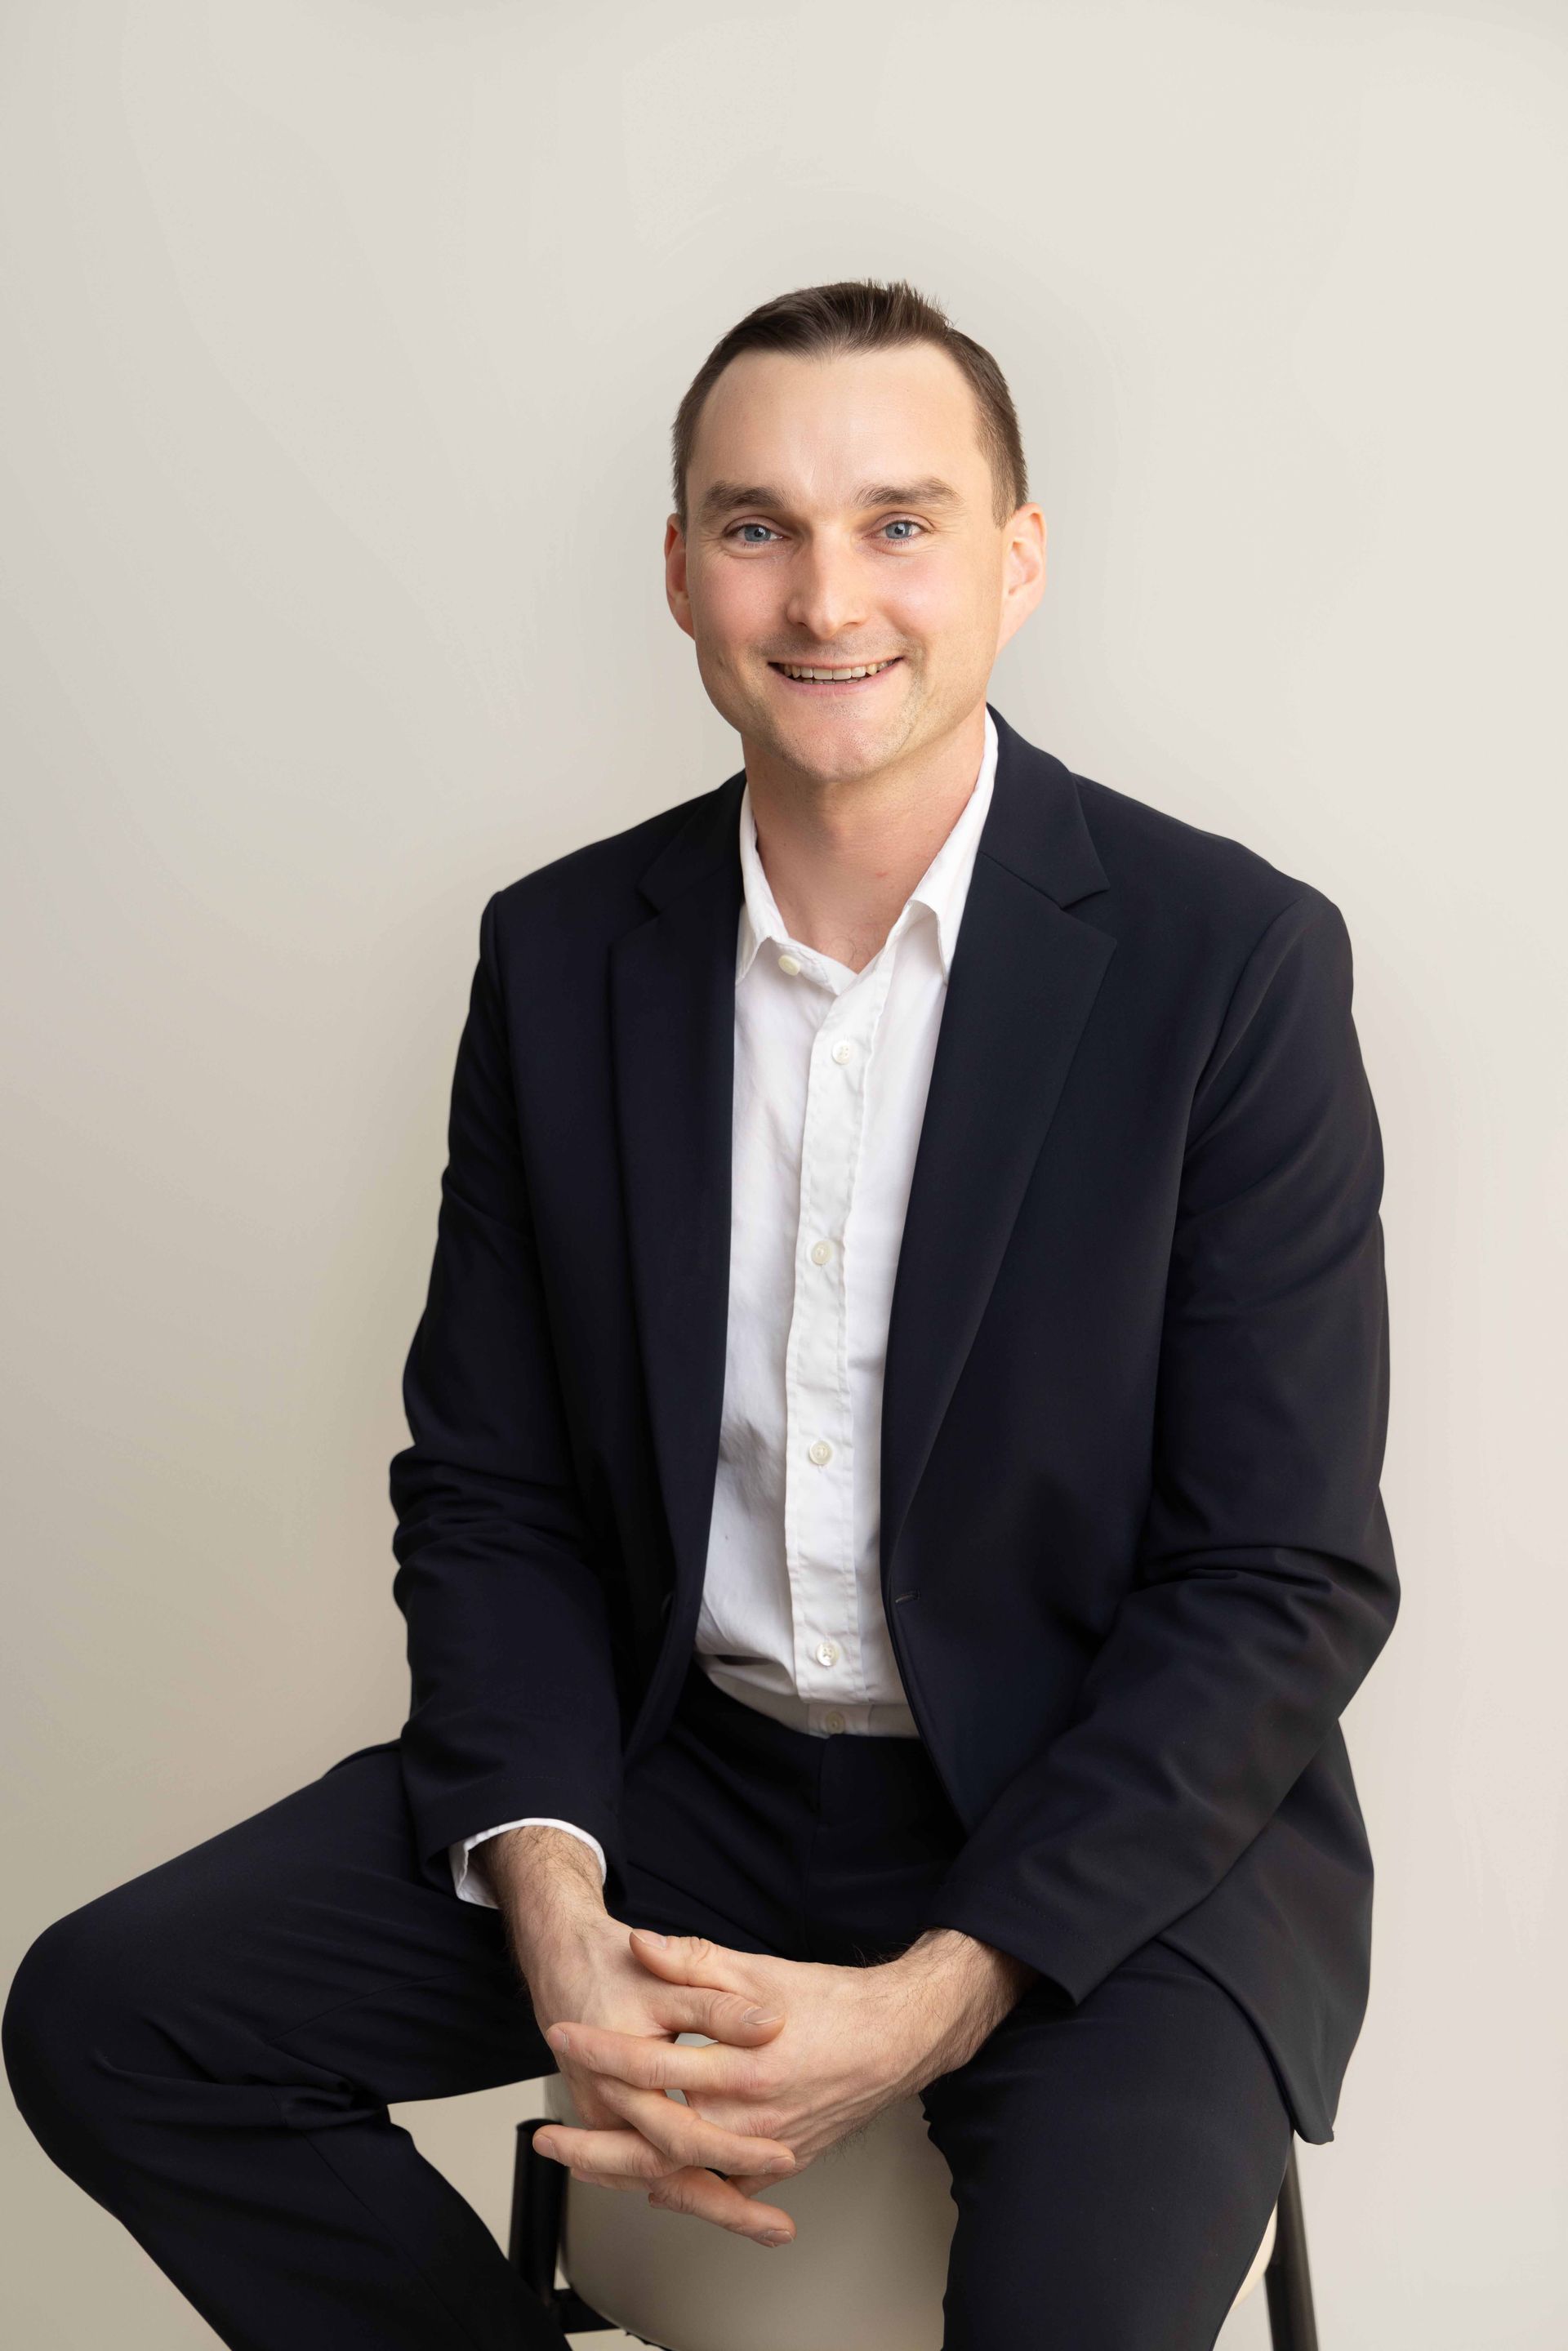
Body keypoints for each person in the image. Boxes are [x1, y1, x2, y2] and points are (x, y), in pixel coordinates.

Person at [3, 278, 1398, 2350]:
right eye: (757, 526)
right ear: (678, 572)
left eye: (901, 522)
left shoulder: (1233, 962)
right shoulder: (565, 954)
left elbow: (1279, 1577)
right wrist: (556, 1908)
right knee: (113, 2018)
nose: (828, 596)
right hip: (685, 1775)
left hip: (1098, 1819)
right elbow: (492, 1490)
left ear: (1019, 557)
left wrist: (937, 1992)